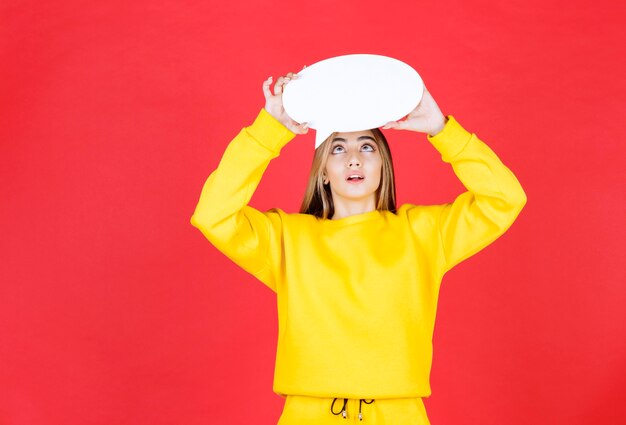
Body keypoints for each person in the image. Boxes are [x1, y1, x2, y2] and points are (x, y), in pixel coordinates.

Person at [190, 70, 527, 424]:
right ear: (323, 171)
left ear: (384, 165)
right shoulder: (288, 238)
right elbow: (213, 214)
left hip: (399, 413)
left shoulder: (424, 233)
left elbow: (505, 199)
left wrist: (441, 130)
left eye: (367, 146)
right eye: (338, 148)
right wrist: (270, 131)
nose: (354, 158)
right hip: (309, 413)